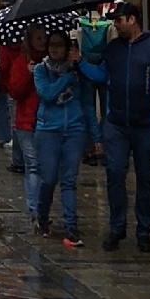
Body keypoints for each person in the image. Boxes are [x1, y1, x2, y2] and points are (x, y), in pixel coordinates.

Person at [84, 2, 150, 254]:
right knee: (115, 174)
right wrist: (79, 63)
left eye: (118, 20)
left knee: (145, 178)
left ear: (132, 20)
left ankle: (143, 230)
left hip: (145, 124)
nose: (115, 25)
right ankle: (117, 227)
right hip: (116, 123)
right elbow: (100, 75)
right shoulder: (113, 50)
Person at [31, 34, 91, 246]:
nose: (55, 49)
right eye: (51, 45)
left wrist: (94, 134)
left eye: (59, 45)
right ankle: (42, 215)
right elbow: (46, 94)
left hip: (74, 130)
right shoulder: (40, 70)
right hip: (48, 131)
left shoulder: (77, 71)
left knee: (68, 180)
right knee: (48, 179)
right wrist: (66, 79)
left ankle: (71, 227)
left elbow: (87, 102)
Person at [0, 26, 47, 215]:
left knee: (47, 167)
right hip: (26, 121)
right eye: (38, 37)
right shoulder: (22, 61)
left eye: (44, 37)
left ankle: (42, 207)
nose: (42, 41)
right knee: (33, 165)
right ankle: (35, 210)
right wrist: (28, 73)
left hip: (48, 121)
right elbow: (15, 91)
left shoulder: (52, 61)